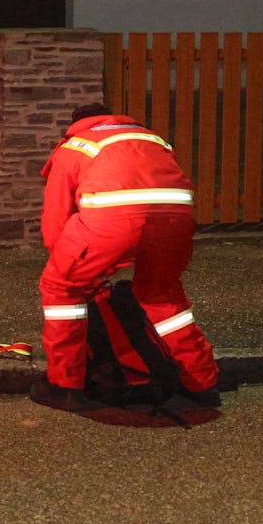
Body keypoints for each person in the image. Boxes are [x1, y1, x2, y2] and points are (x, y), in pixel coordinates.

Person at [32, 104, 221, 411]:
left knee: (61, 289)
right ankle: (202, 384)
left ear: (77, 124)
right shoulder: (151, 138)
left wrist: (73, 268)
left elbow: (56, 219)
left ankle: (66, 388)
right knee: (162, 296)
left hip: (111, 224)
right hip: (175, 222)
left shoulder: (75, 145)